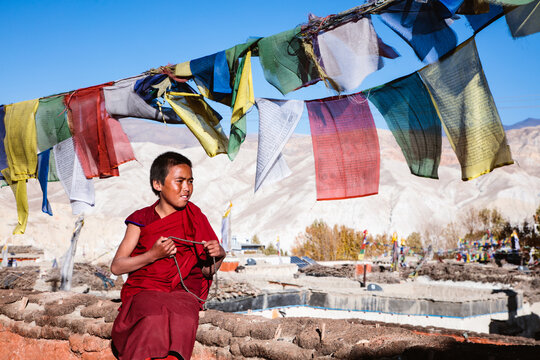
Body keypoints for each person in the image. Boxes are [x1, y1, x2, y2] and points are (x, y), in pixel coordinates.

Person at [110, 151, 226, 360]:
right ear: (158, 184)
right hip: (145, 290)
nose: (187, 188)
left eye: (190, 181)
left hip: (183, 293)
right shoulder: (141, 219)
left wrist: (219, 256)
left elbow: (207, 271)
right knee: (152, 315)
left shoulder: (195, 217)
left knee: (183, 316)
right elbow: (117, 267)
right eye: (179, 181)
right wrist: (153, 255)